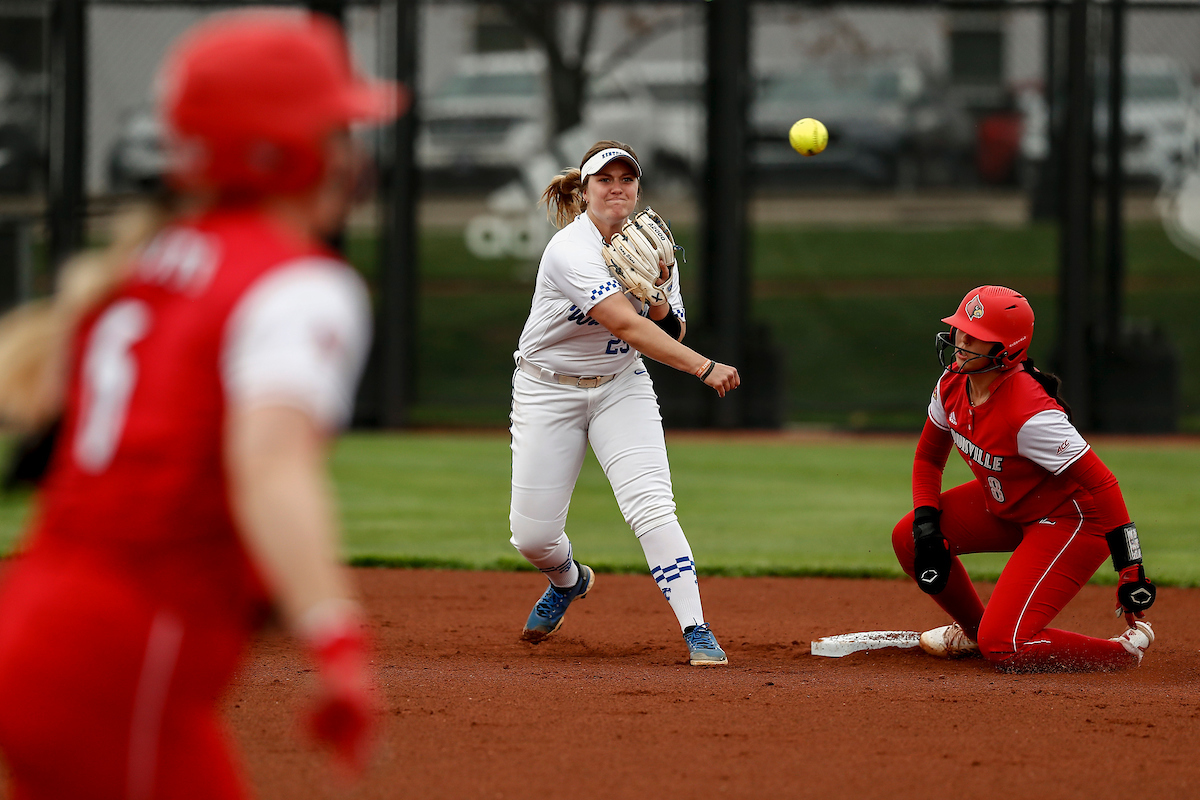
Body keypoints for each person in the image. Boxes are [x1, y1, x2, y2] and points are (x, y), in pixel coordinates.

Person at [0, 10, 406, 797]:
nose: (350, 155)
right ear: (282, 150)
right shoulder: (296, 282)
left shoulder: (150, 261)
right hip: (124, 657)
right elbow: (270, 466)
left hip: (45, 623)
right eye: (335, 132)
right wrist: (337, 642)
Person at [509, 140, 740, 666]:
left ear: (637, 188)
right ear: (585, 189)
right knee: (533, 537)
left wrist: (658, 295)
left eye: (626, 179)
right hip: (547, 389)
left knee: (652, 506)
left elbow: (671, 328)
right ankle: (568, 580)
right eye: (605, 179)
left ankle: (697, 629)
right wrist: (703, 367)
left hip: (620, 385)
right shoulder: (570, 249)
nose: (617, 188)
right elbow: (623, 324)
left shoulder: (651, 243)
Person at [892, 285, 1157, 672]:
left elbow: (1102, 483)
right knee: (910, 539)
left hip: (1071, 521)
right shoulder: (952, 383)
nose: (961, 341)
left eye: (975, 335)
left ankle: (1120, 653)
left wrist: (1130, 568)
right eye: (961, 328)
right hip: (1010, 504)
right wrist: (927, 526)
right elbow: (929, 458)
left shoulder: (1029, 413)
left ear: (1006, 349)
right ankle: (975, 632)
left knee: (1005, 646)